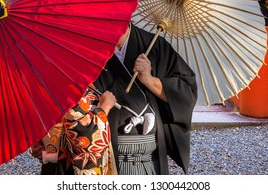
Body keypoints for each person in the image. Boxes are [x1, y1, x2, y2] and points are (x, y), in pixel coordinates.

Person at [31, 23, 198, 175]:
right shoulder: (83, 51)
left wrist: (149, 79)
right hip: (107, 161)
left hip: (148, 158)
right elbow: (67, 115)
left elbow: (186, 92)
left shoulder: (154, 46)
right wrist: (48, 146)